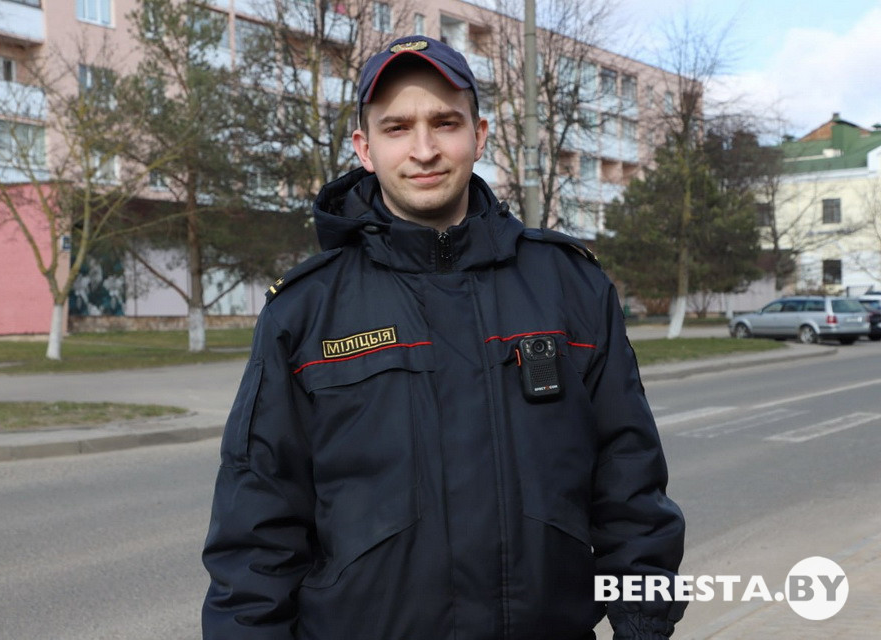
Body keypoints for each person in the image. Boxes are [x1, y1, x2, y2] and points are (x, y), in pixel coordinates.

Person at [202, 35, 685, 640]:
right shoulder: (305, 311)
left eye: (445, 123)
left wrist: (644, 626)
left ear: (478, 136)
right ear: (365, 148)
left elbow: (631, 484)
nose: (424, 149)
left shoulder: (570, 287)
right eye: (398, 127)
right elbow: (257, 526)